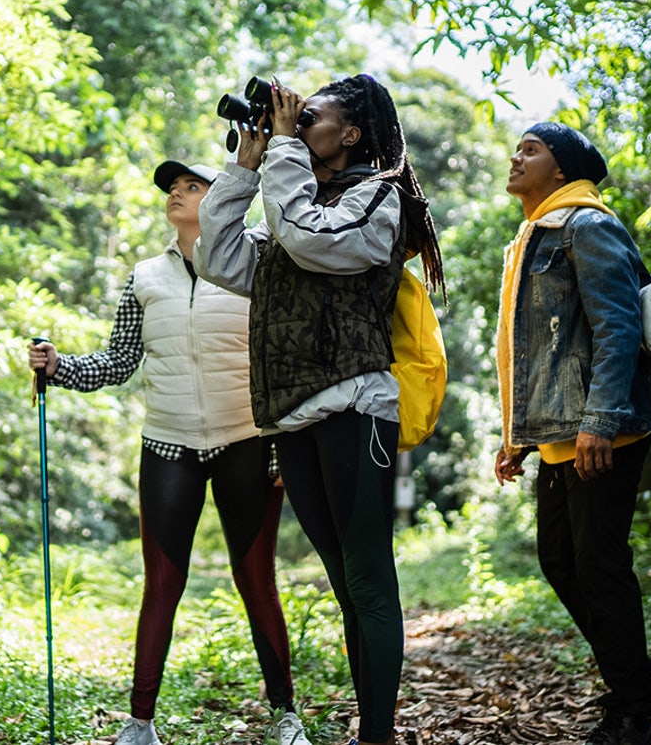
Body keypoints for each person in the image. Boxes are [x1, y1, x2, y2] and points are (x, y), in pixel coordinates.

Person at [195, 74, 446, 745]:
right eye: (292, 120)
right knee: (345, 586)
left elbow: (312, 240)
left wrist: (280, 155)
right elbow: (217, 257)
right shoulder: (293, 197)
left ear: (352, 133)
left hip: (356, 407)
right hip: (295, 418)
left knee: (368, 581)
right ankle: (374, 731)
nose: (295, 127)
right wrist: (244, 169)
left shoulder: (378, 198)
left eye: (309, 118)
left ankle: (378, 737)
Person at [27, 160, 311, 745]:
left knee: (257, 579)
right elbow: (118, 360)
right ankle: (141, 724)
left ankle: (285, 715)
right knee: (161, 585)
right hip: (168, 445)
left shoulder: (258, 262)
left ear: (222, 198)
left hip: (247, 442)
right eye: (172, 190)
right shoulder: (145, 276)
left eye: (192, 186)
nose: (177, 195)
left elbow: (286, 359)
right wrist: (59, 366)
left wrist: (284, 446)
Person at [492, 122, 651, 745]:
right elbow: (529, 353)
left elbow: (618, 326)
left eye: (532, 150)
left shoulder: (589, 226)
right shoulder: (534, 234)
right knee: (561, 562)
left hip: (603, 431)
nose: (517, 157)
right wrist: (515, 436)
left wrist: (601, 419)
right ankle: (637, 687)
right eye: (518, 147)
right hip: (557, 431)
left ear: (563, 170)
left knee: (598, 564)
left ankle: (637, 702)